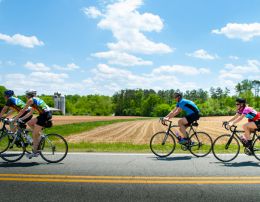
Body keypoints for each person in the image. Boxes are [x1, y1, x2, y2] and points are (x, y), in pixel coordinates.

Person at [14, 89, 52, 159]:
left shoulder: (30, 100)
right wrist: (21, 119)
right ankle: (39, 135)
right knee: (29, 122)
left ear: (29, 95)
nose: (26, 96)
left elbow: (22, 111)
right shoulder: (35, 100)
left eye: (26, 95)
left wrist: (15, 119)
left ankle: (35, 152)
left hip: (45, 115)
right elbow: (30, 113)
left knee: (34, 134)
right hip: (44, 114)